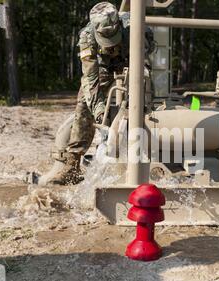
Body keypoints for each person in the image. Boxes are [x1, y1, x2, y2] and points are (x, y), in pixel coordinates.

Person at [48, 2, 155, 185]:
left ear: (118, 26)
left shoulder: (134, 27)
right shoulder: (87, 37)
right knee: (84, 101)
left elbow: (145, 59)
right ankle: (72, 165)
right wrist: (98, 110)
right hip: (103, 65)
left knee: (143, 92)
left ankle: (148, 152)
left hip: (132, 60)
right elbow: (91, 79)